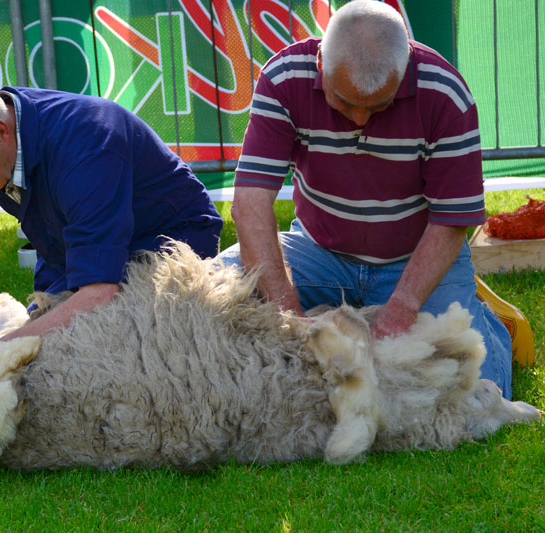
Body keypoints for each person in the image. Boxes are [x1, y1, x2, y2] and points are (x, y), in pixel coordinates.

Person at [220, 0, 514, 398]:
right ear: (321, 60)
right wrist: (287, 314)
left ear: (405, 67)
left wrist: (405, 305)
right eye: (343, 101)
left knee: (483, 385)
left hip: (412, 259)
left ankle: (484, 318)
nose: (360, 119)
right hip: (316, 251)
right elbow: (251, 201)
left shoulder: (445, 94)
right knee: (213, 293)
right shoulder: (284, 77)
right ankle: (353, 315)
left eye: (379, 105)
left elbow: (451, 220)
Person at [0, 74, 223, 397]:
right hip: (73, 257)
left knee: (94, 367)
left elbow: (98, 293)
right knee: (28, 358)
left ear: (1, 133)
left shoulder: (88, 145)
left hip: (167, 247)